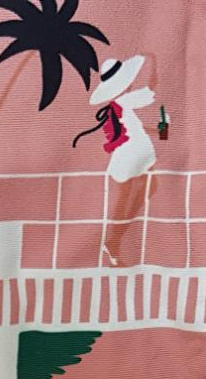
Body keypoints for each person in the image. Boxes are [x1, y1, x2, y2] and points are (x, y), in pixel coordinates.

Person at [72, 55, 157, 267]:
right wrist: (153, 62)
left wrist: (159, 130)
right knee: (130, 196)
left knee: (133, 195)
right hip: (130, 154)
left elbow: (133, 128)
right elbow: (150, 91)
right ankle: (114, 239)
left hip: (129, 154)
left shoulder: (118, 106)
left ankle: (114, 239)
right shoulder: (124, 101)